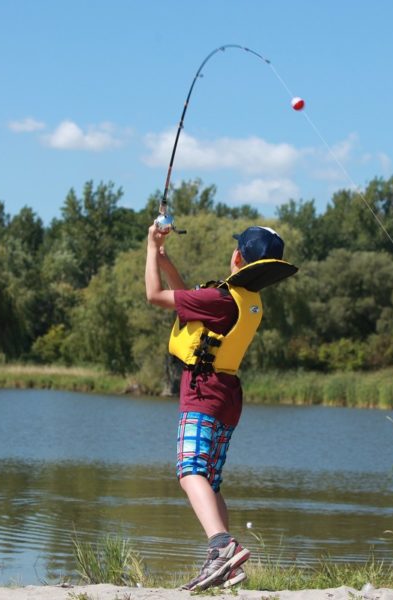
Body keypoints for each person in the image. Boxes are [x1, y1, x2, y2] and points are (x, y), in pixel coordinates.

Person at [144, 222, 297, 591]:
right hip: (227, 393)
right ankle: (224, 562)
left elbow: (155, 296)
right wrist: (167, 262)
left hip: (204, 391)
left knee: (189, 470)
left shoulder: (220, 300)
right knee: (209, 481)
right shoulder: (245, 301)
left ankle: (221, 546)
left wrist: (150, 249)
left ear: (237, 258)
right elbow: (187, 304)